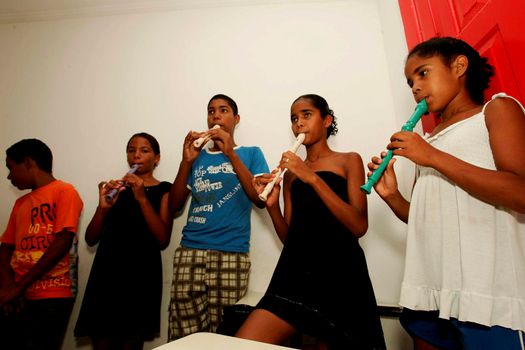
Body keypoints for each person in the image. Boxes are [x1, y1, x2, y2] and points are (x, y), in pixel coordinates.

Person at [367, 36, 525, 350]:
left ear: (459, 66)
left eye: (423, 73)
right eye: (410, 81)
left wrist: (431, 157)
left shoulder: (496, 110)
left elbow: (520, 191)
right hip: (430, 291)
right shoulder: (428, 139)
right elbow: (425, 218)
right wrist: (393, 195)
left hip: (486, 297)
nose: (414, 86)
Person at [235, 94, 386, 349]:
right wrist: (272, 207)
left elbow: (359, 226)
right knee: (244, 343)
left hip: (340, 273)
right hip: (295, 272)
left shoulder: (349, 160)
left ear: (326, 120)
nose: (299, 123)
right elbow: (289, 238)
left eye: (306, 115)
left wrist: (313, 178)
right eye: (294, 118)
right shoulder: (291, 175)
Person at [167, 94, 269, 340]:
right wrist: (186, 161)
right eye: (211, 111)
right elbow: (174, 205)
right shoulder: (198, 156)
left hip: (231, 253)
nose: (216, 116)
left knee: (226, 335)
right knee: (184, 334)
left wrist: (231, 155)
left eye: (223, 110)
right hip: (189, 252)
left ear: (236, 119)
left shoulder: (251, 153)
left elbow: (260, 199)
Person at [74, 132, 172, 350]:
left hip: (141, 276)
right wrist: (103, 208)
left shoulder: (165, 189)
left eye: (144, 150)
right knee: (101, 342)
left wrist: (141, 198)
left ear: (157, 158)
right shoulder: (115, 189)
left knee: (131, 343)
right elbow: (90, 239)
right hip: (107, 274)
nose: (136, 156)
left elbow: (162, 238)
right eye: (131, 150)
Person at [0, 138, 83, 350]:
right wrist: (9, 289)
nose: (9, 176)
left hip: (52, 296)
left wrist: (19, 287)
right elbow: (6, 249)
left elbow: (63, 241)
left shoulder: (64, 191)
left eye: (11, 168)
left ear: (28, 162)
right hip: (18, 297)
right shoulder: (20, 203)